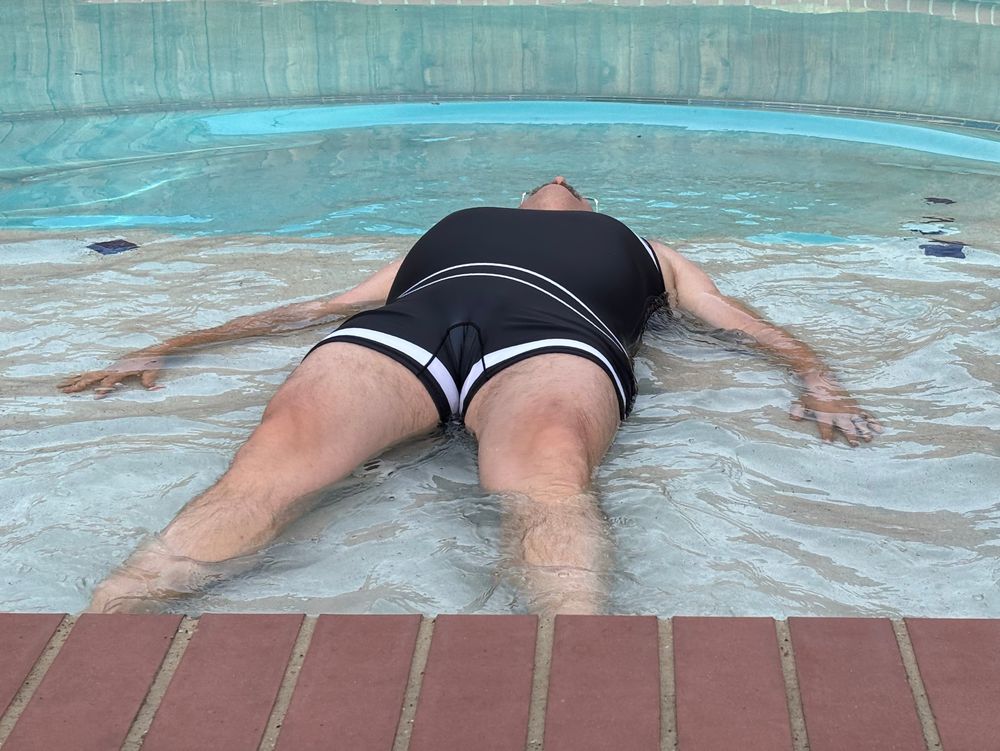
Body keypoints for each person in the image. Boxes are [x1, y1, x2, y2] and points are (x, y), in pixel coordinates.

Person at [61, 176, 881, 615]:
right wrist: (165, 344)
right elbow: (314, 308)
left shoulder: (650, 249)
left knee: (548, 480)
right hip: (409, 325)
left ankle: (576, 667)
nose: (557, 179)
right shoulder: (449, 230)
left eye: (569, 180)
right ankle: (105, 629)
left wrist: (816, 375)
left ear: (589, 204)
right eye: (544, 176)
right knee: (263, 473)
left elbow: (732, 320)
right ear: (523, 195)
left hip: (556, 336)